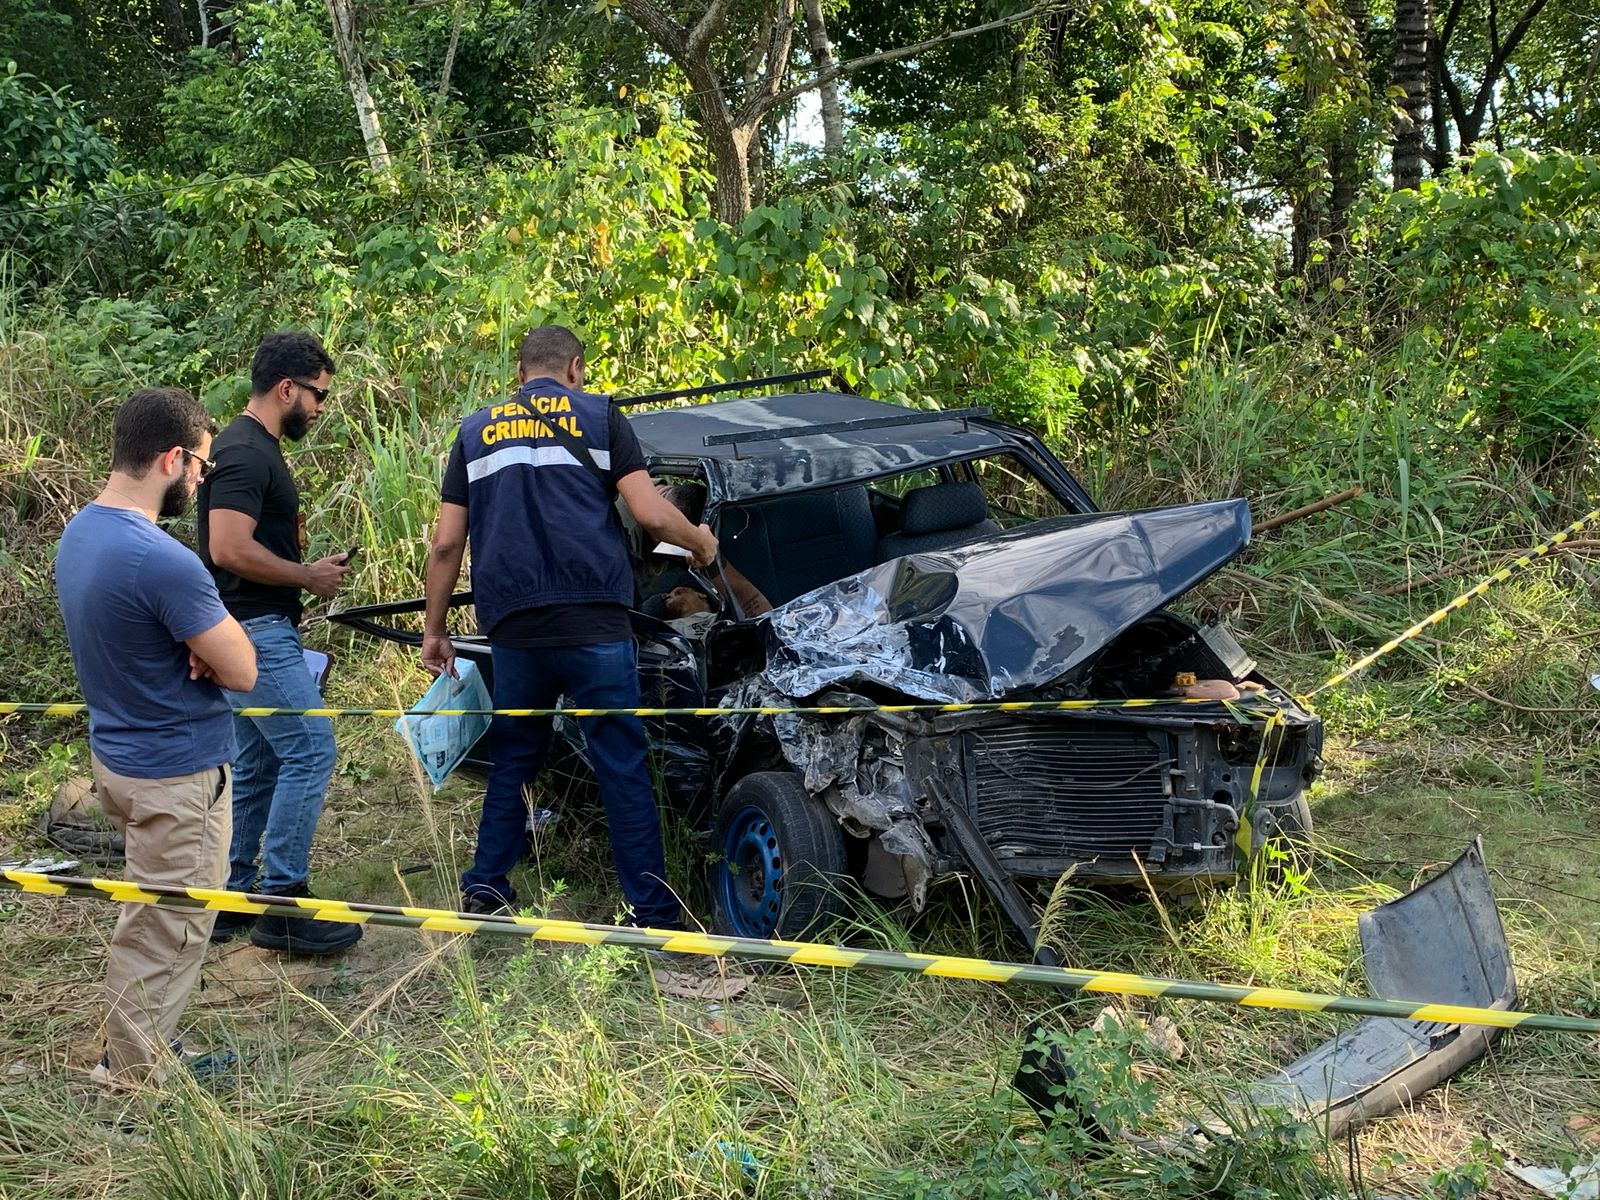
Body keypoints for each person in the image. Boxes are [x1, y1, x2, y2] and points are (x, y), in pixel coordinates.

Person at [421, 325, 718, 923]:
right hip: (595, 625)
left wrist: (435, 630)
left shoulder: (475, 432)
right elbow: (650, 513)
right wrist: (700, 541)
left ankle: (486, 889)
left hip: (516, 629)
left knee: (514, 757)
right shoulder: (601, 416)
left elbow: (447, 544)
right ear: (576, 369)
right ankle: (653, 912)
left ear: (520, 374)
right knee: (621, 764)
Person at [55, 387, 258, 1088]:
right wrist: (209, 646)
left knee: (150, 919)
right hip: (177, 774)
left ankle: (139, 1052)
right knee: (169, 931)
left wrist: (193, 644)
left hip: (121, 759)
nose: (201, 479)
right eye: (201, 465)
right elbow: (244, 669)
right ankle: (132, 1085)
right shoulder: (161, 559)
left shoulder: (81, 533)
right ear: (172, 459)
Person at [196, 331, 360, 956]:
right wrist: (305, 576)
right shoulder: (244, 451)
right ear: (287, 388)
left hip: (248, 626)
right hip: (254, 630)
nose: (321, 408)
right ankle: (284, 903)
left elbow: (241, 544)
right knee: (312, 751)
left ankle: (234, 897)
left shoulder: (248, 447)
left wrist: (296, 562)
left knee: (261, 760)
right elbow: (226, 547)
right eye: (319, 395)